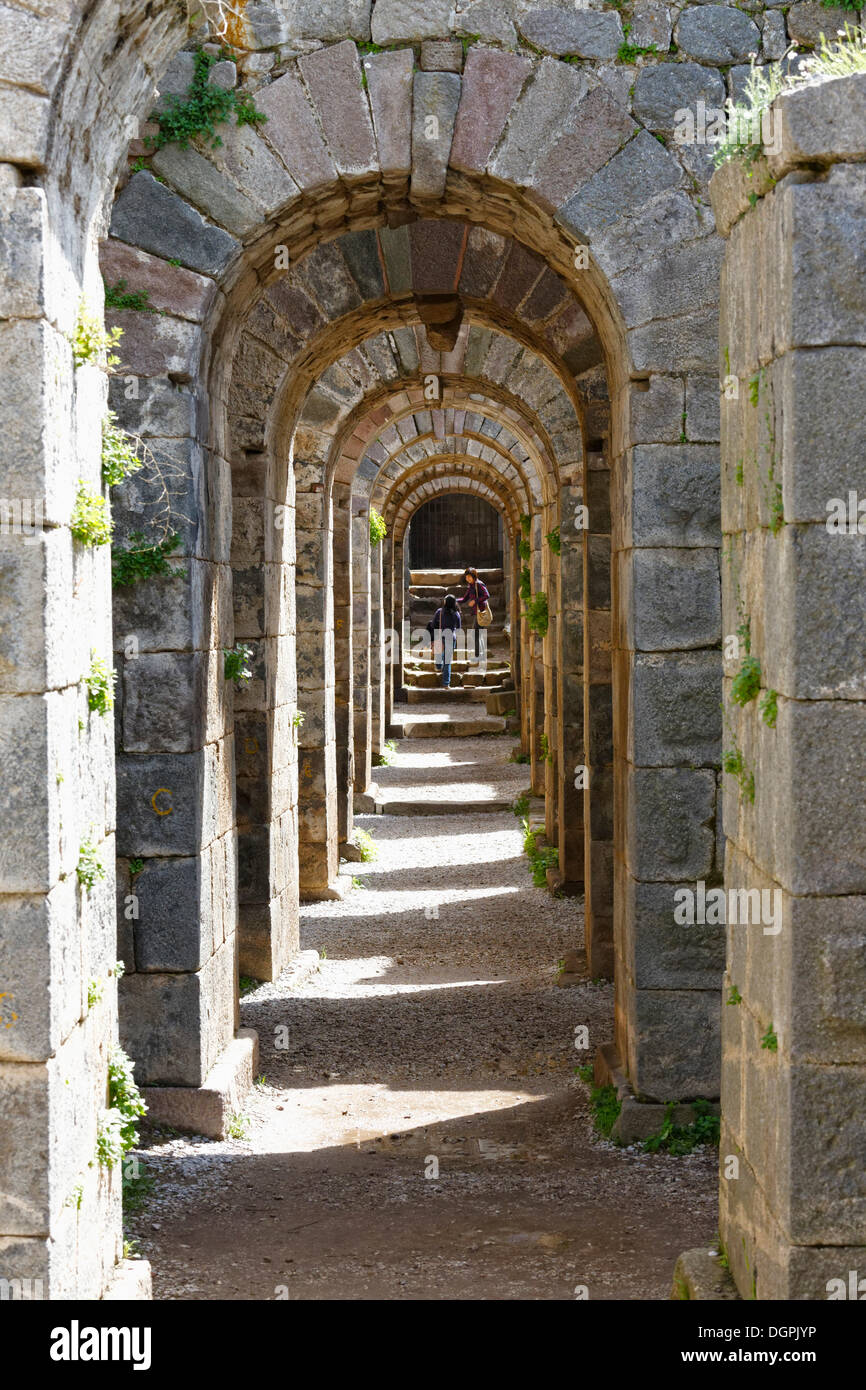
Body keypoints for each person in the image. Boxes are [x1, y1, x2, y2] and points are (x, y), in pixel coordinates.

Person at [426, 593, 461, 687]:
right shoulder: (456, 614)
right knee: (447, 662)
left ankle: (438, 666)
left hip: (440, 636)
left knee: (438, 654)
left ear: (445, 602)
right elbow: (458, 627)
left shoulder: (439, 612)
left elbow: (433, 625)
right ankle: (446, 684)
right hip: (451, 638)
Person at [456, 567, 490, 657]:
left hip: (481, 612)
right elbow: (464, 599)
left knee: (475, 634)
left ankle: (478, 655)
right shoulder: (470, 586)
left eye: (469, 577)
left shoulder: (479, 584)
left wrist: (475, 601)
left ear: (473, 576)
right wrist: (453, 600)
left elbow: (487, 595)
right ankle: (481, 653)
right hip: (476, 613)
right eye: (466, 577)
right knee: (477, 634)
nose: (467, 579)